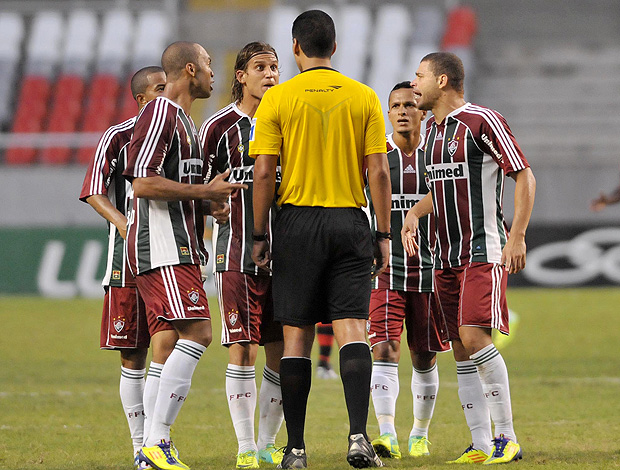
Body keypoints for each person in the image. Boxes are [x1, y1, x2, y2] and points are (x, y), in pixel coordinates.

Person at [250, 10, 392, 469]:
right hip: (350, 219)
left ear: (295, 48)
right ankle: (357, 437)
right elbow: (379, 170)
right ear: (334, 48)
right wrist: (383, 233)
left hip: (296, 223)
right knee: (353, 326)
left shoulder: (277, 99)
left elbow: (265, 171)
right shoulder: (364, 96)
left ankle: (295, 449)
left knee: (296, 336)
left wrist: (258, 233)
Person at [402, 52, 536, 465]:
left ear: (442, 81)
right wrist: (413, 214)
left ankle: (507, 438)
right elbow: (440, 190)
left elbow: (524, 174)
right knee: (459, 348)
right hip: (443, 257)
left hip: (483, 250)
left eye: (420, 76)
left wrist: (517, 236)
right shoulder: (432, 135)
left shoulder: (482, 121)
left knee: (476, 337)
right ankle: (479, 444)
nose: (414, 84)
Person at [123, 41, 247, 470]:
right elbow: (142, 183)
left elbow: (179, 188)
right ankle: (156, 443)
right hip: (161, 246)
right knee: (199, 333)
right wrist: (204, 191)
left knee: (174, 340)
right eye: (210, 65)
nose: (216, 73)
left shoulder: (189, 126)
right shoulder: (161, 113)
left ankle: (151, 450)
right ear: (191, 70)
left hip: (181, 246)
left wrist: (210, 204)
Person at [79, 66, 180, 469]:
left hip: (167, 257)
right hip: (125, 262)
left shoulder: (179, 131)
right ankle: (141, 447)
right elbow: (92, 190)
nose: (166, 93)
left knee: (170, 344)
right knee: (132, 356)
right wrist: (124, 224)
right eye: (159, 88)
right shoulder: (118, 136)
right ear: (141, 99)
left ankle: (158, 441)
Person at [199, 41, 285, 469]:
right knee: (242, 349)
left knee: (284, 348)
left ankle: (268, 443)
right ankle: (246, 447)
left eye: (274, 67)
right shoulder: (217, 127)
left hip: (286, 253)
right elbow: (197, 189)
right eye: (260, 67)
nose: (270, 74)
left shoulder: (290, 121)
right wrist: (209, 209)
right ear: (240, 76)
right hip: (234, 252)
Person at [366, 82, 450, 461]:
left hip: (432, 269)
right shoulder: (375, 154)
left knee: (424, 356)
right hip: (384, 269)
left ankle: (419, 433)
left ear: (423, 110)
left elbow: (455, 195)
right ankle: (386, 434)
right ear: (388, 112)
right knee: (384, 347)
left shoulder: (437, 152)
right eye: (395, 105)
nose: (402, 110)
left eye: (410, 104)